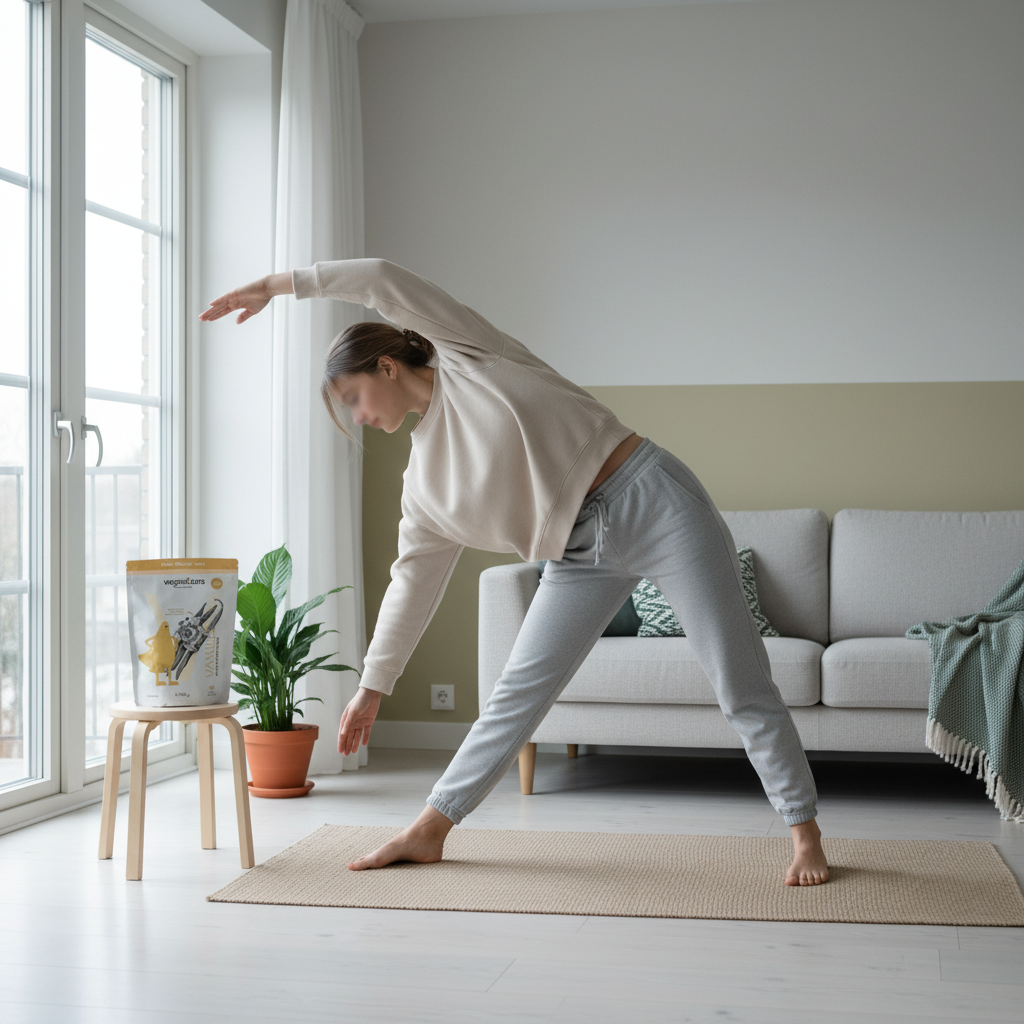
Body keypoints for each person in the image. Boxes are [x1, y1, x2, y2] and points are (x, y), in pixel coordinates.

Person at [200, 259, 830, 886]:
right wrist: (371, 687)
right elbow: (411, 583)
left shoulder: (468, 354)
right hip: (577, 553)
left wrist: (279, 286)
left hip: (655, 502)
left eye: (354, 398)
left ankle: (804, 833)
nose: (359, 417)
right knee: (513, 699)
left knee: (738, 680)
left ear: (386, 367)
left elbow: (381, 279)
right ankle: (429, 829)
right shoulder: (424, 484)